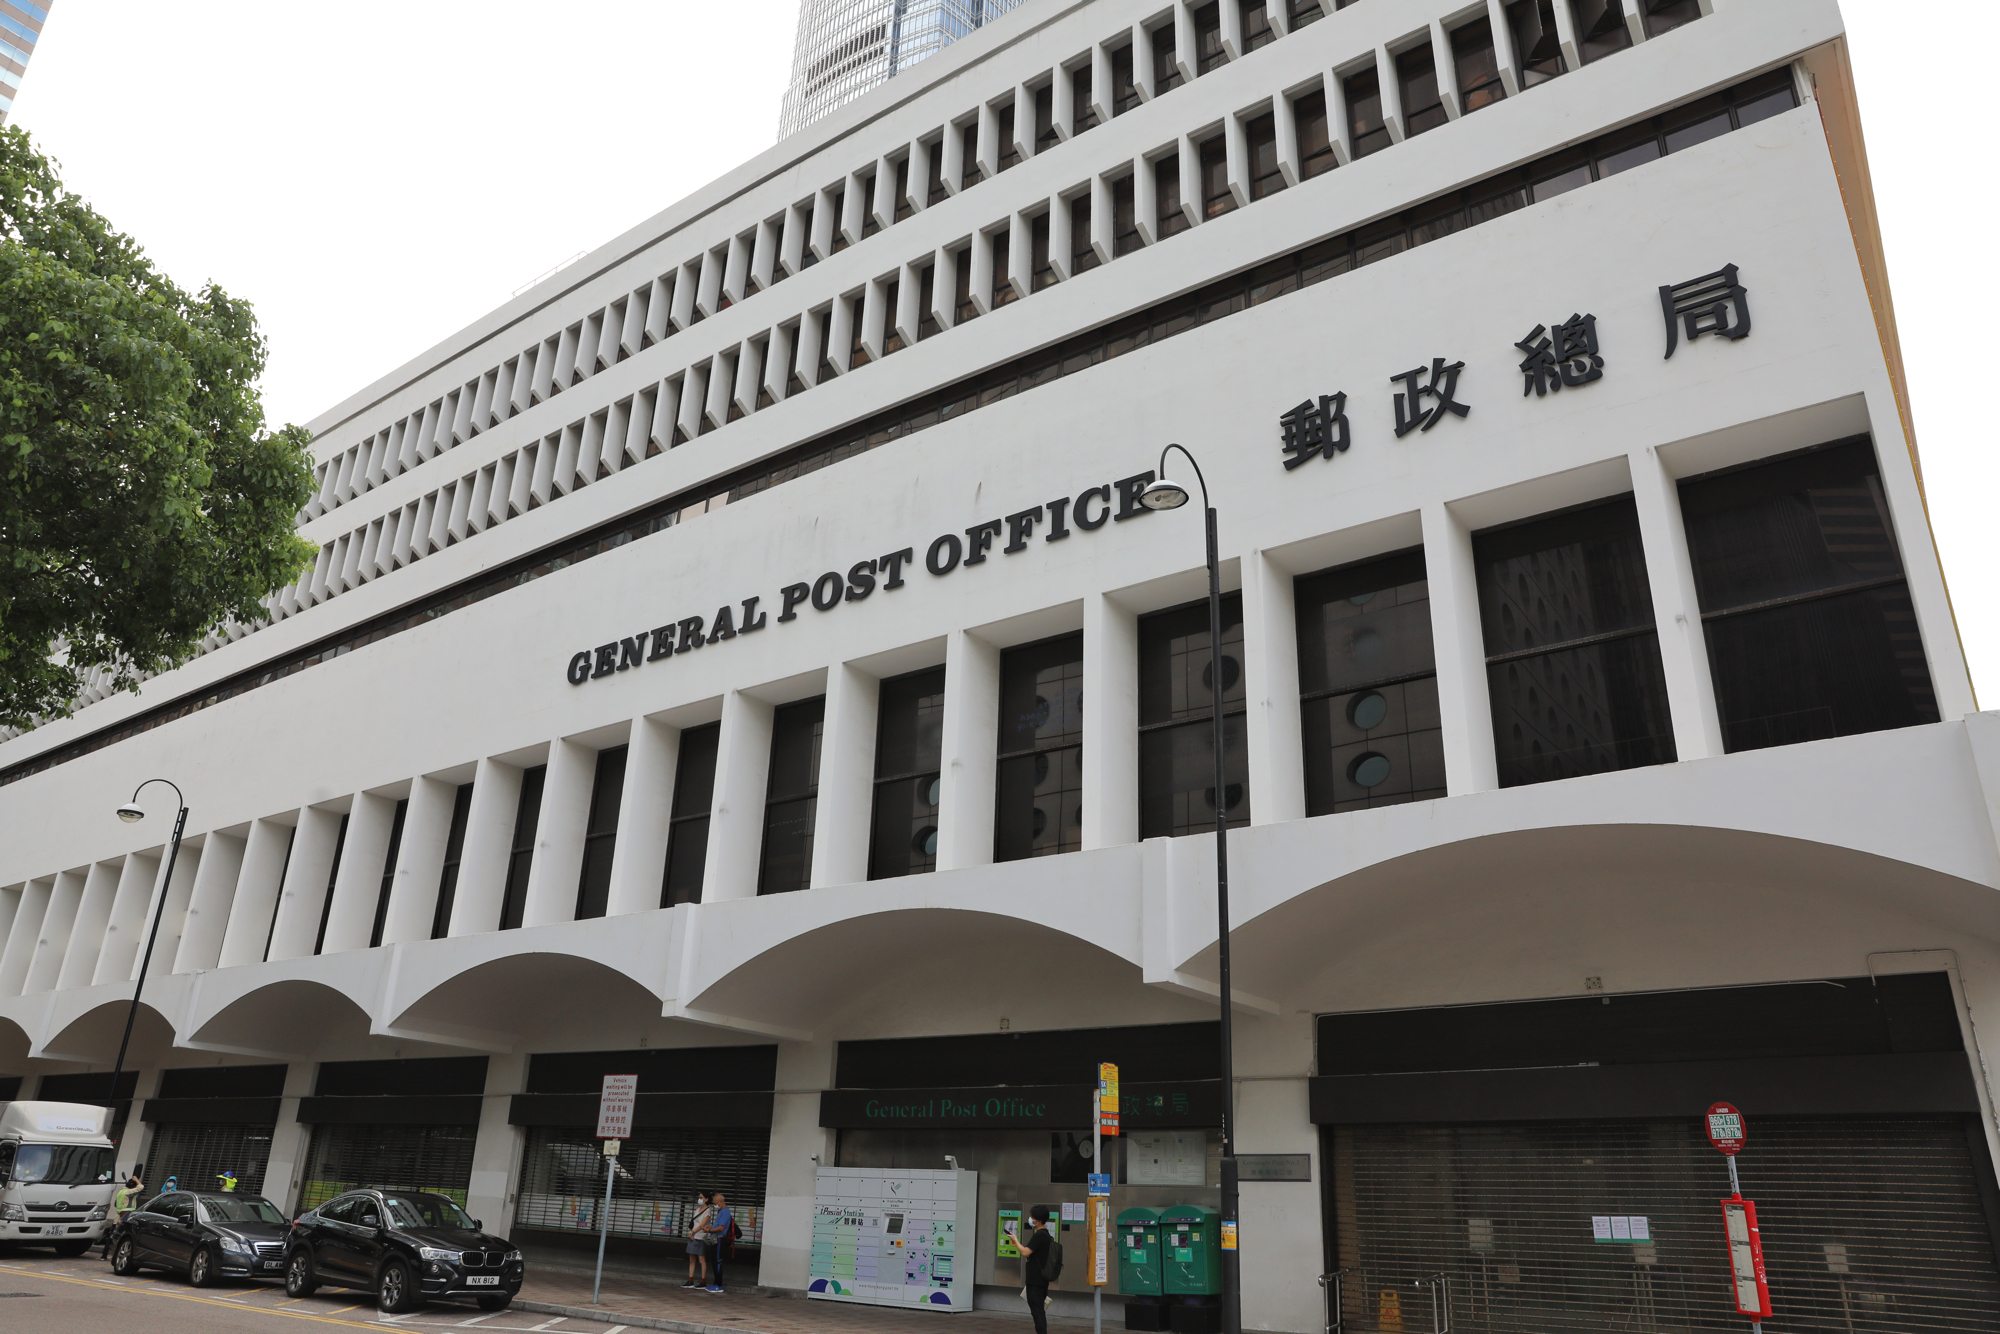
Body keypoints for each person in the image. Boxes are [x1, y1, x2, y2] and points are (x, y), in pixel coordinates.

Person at [1020, 1204, 1054, 1334]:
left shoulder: (1040, 1236)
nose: (1030, 1219)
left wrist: (1015, 1240)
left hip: (1036, 1281)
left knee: (1038, 1312)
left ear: (1038, 1220)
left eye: (1032, 1217)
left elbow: (1025, 1252)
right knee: (1038, 1310)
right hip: (1041, 1280)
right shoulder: (1046, 1235)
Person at [101, 1174, 143, 1255]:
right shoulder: (129, 1192)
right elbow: (141, 1187)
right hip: (126, 1216)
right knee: (125, 1236)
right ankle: (120, 1253)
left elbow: (115, 1204)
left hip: (118, 1216)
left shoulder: (121, 1192)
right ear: (133, 1187)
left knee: (112, 1235)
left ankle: (104, 1254)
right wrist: (136, 1180)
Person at [683, 1192, 715, 1290]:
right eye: (699, 1197)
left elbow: (702, 1225)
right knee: (692, 1259)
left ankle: (703, 1281)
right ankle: (690, 1280)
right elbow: (692, 1223)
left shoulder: (708, 1211)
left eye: (701, 1197)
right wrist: (690, 1232)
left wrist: (693, 1232)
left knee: (701, 1259)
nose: (699, 1199)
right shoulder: (697, 1210)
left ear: (706, 1199)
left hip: (700, 1237)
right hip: (693, 1236)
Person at [705, 1192, 733, 1293]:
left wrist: (709, 1230)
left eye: (715, 1203)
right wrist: (710, 1227)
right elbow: (717, 1225)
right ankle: (715, 1283)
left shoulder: (725, 1212)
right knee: (714, 1261)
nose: (715, 1205)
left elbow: (721, 1228)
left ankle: (719, 1285)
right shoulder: (721, 1211)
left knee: (718, 1262)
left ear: (721, 1202)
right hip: (715, 1239)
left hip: (720, 1239)